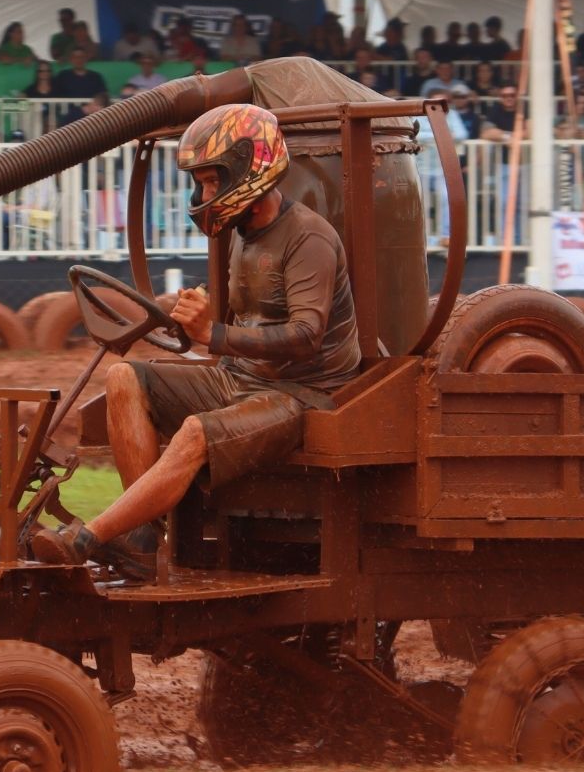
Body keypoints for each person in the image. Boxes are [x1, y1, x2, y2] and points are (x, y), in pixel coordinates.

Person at [30, 104, 361, 578]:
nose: (204, 193)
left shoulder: (308, 238)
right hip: (240, 379)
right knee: (124, 377)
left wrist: (214, 334)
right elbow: (236, 324)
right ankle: (141, 539)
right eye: (201, 182)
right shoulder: (241, 233)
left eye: (212, 181)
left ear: (251, 171)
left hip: (301, 395)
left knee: (194, 431)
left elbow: (307, 336)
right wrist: (193, 320)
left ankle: (92, 536)